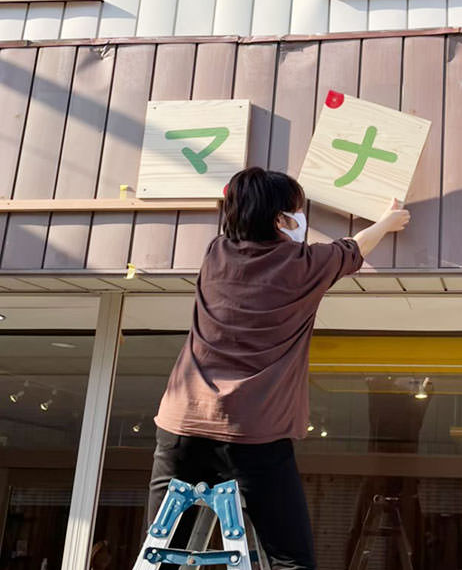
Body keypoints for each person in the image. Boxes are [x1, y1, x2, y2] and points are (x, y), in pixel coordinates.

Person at [147, 167, 410, 569]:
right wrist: (389, 222)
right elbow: (354, 248)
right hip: (255, 437)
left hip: (181, 425)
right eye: (295, 212)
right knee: (290, 560)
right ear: (280, 219)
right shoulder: (302, 264)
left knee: (163, 555)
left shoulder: (216, 255)